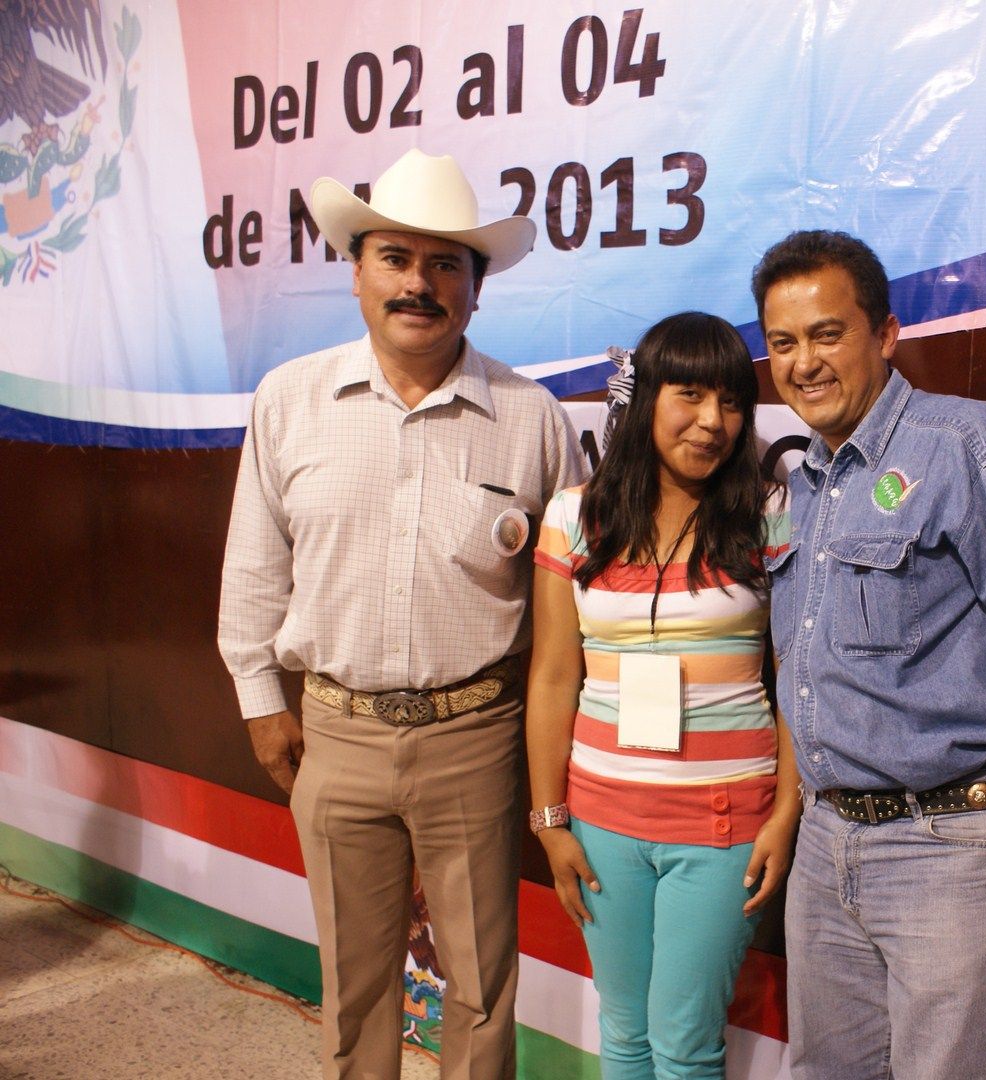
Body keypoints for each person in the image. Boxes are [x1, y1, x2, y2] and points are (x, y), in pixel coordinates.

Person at [218, 148, 584, 1080]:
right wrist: (261, 703)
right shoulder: (289, 401)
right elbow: (254, 569)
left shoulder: (533, 419)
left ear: (475, 289)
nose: (418, 284)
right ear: (356, 272)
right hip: (333, 735)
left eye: (444, 264)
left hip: (476, 738)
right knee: (355, 988)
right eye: (394, 258)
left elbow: (570, 608)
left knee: (482, 989)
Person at [751, 230, 986, 1079]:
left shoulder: (966, 443)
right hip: (825, 847)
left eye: (827, 334)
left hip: (950, 853)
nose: (803, 362)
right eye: (783, 342)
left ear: (885, 334)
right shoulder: (800, 484)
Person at [525, 311, 799, 1080]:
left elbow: (797, 679)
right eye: (690, 395)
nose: (712, 421)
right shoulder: (574, 516)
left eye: (732, 401)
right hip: (599, 818)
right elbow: (552, 677)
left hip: (724, 823)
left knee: (684, 1044)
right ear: (645, 397)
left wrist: (785, 815)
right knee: (622, 1032)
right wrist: (549, 821)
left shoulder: (769, 513)